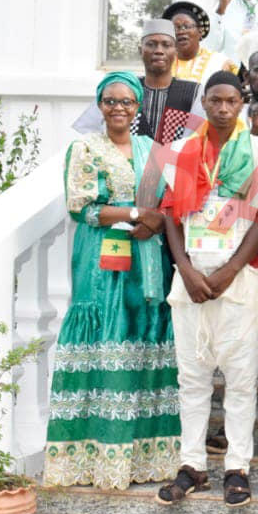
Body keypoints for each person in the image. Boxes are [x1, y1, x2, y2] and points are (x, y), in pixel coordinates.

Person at [155, 72, 258, 508]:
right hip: (190, 282)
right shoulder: (180, 152)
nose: (223, 108)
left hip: (238, 280)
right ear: (204, 103)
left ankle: (237, 468)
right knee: (191, 378)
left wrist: (230, 268)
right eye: (215, 100)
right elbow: (171, 216)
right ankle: (191, 465)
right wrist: (185, 269)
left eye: (231, 101)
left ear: (242, 103)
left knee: (241, 381)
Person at [45, 72, 177, 489]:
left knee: (142, 341)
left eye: (127, 102)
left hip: (148, 263)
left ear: (138, 108)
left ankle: (141, 457)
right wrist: (138, 216)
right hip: (102, 264)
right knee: (105, 337)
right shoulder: (84, 148)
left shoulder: (152, 150)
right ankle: (93, 458)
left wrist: (155, 224)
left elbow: (168, 202)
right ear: (99, 106)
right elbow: (81, 208)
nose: (118, 108)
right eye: (110, 101)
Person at [135, 19, 203, 144]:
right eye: (151, 44)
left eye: (166, 45)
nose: (159, 51)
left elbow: (198, 140)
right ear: (140, 50)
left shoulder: (195, 93)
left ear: (176, 51)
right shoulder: (127, 89)